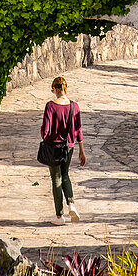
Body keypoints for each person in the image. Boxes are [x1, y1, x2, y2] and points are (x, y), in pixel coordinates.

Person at [41, 75, 86, 224]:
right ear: (66, 88)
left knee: (56, 179)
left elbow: (45, 131)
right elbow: (78, 130)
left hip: (54, 146)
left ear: (54, 89)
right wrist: (81, 150)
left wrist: (45, 134)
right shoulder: (74, 106)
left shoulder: (50, 106)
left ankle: (59, 216)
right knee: (65, 174)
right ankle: (71, 204)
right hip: (70, 146)